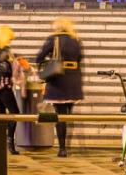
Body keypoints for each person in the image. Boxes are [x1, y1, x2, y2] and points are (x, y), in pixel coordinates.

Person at [35, 18, 85, 157]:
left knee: (60, 115)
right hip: (73, 81)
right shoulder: (76, 40)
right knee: (68, 115)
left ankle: (62, 148)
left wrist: (50, 62)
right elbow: (80, 59)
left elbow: (39, 58)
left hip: (58, 81)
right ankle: (66, 145)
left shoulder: (53, 39)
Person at [0, 25, 24, 154]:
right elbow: (0, 57)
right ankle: (9, 142)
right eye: (9, 39)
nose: (9, 42)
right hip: (0, 84)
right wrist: (10, 54)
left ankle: (0, 143)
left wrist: (15, 58)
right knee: (14, 113)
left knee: (1, 114)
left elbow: (4, 60)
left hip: (0, 84)